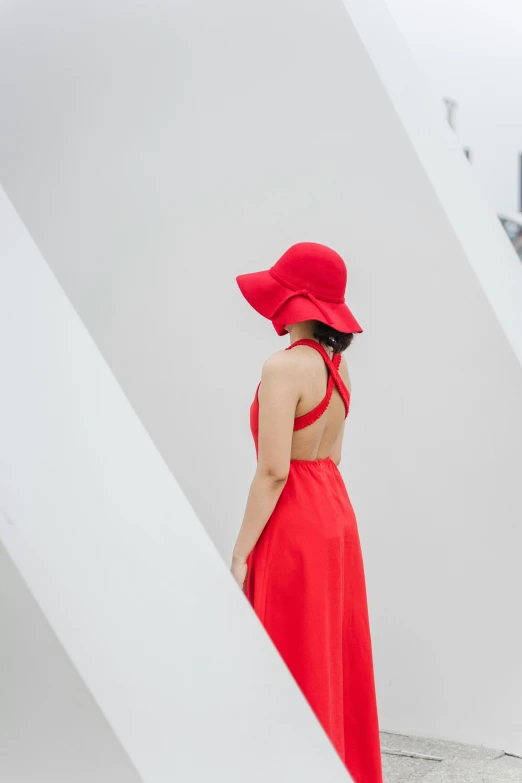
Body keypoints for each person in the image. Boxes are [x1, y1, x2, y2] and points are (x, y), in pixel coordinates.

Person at [231, 242, 383, 783]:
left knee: (289, 650)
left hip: (294, 518)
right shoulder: (335, 369)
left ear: (294, 301)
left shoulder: (282, 367)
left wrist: (240, 552)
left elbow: (273, 471)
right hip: (334, 513)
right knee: (328, 648)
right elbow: (331, 456)